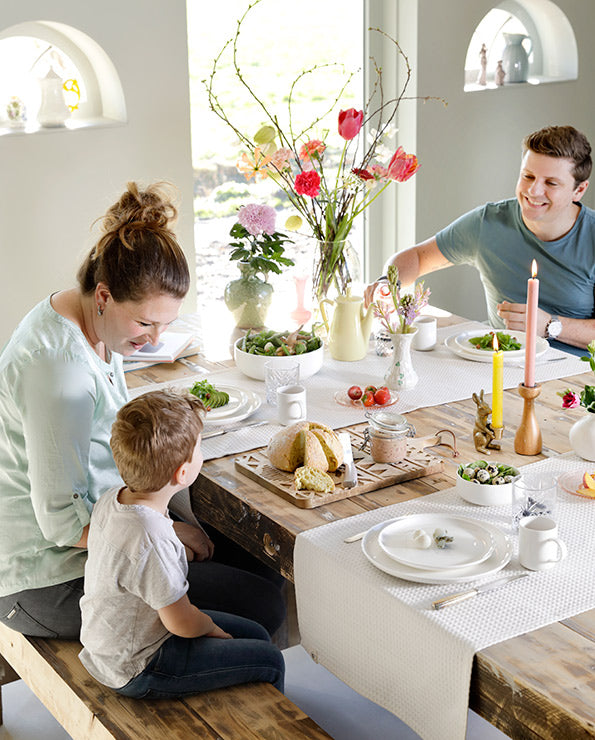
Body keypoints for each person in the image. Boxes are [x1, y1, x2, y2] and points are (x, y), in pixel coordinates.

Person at [0, 182, 285, 639]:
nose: (154, 340)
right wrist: (167, 534)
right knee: (261, 605)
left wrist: (166, 527)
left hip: (106, 527)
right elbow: (58, 522)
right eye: (145, 323)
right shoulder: (59, 372)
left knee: (259, 560)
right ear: (105, 295)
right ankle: (208, 689)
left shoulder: (87, 317)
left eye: (166, 324)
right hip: (42, 576)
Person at [79, 390, 284, 698]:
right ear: (183, 472)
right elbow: (181, 622)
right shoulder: (152, 539)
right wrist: (210, 628)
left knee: (255, 633)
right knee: (271, 660)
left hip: (111, 644)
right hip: (141, 664)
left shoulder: (114, 499)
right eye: (199, 446)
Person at [365, 125, 595, 354]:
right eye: (528, 176)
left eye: (551, 183)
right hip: (497, 364)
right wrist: (388, 284)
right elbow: (416, 257)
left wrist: (549, 326)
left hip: (576, 376)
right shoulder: (488, 223)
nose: (533, 191)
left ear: (579, 190)